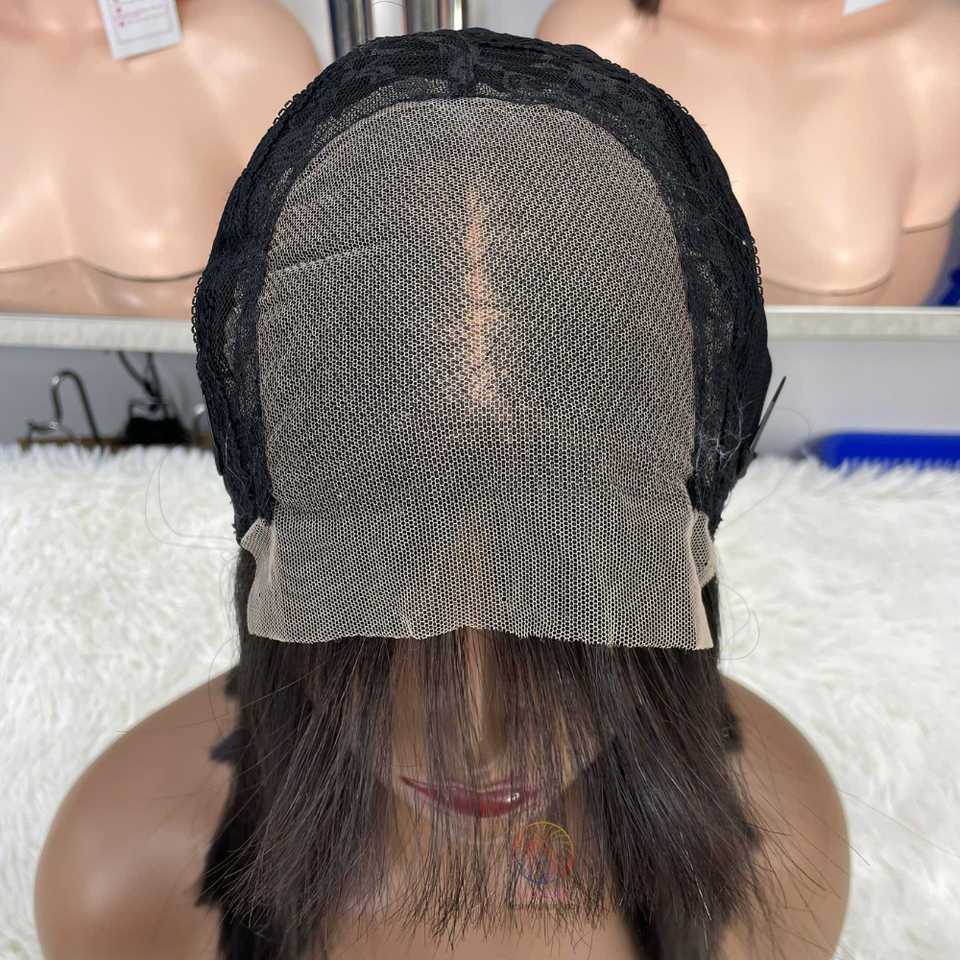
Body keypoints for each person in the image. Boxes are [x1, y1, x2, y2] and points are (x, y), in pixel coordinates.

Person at [33, 28, 850, 960]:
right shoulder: (124, 880)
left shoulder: (779, 852)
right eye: (380, 591)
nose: (479, 733)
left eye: (566, 593)